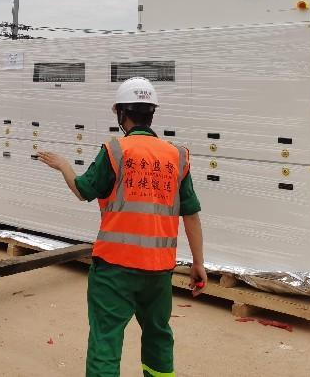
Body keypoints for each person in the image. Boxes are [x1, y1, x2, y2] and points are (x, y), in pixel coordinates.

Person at [38, 77, 207, 377]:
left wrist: (64, 165)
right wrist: (198, 263)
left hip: (114, 269)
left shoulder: (115, 150)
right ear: (151, 113)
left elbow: (83, 190)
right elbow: (191, 214)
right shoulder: (176, 156)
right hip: (158, 271)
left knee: (106, 340)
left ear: (121, 113)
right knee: (158, 336)